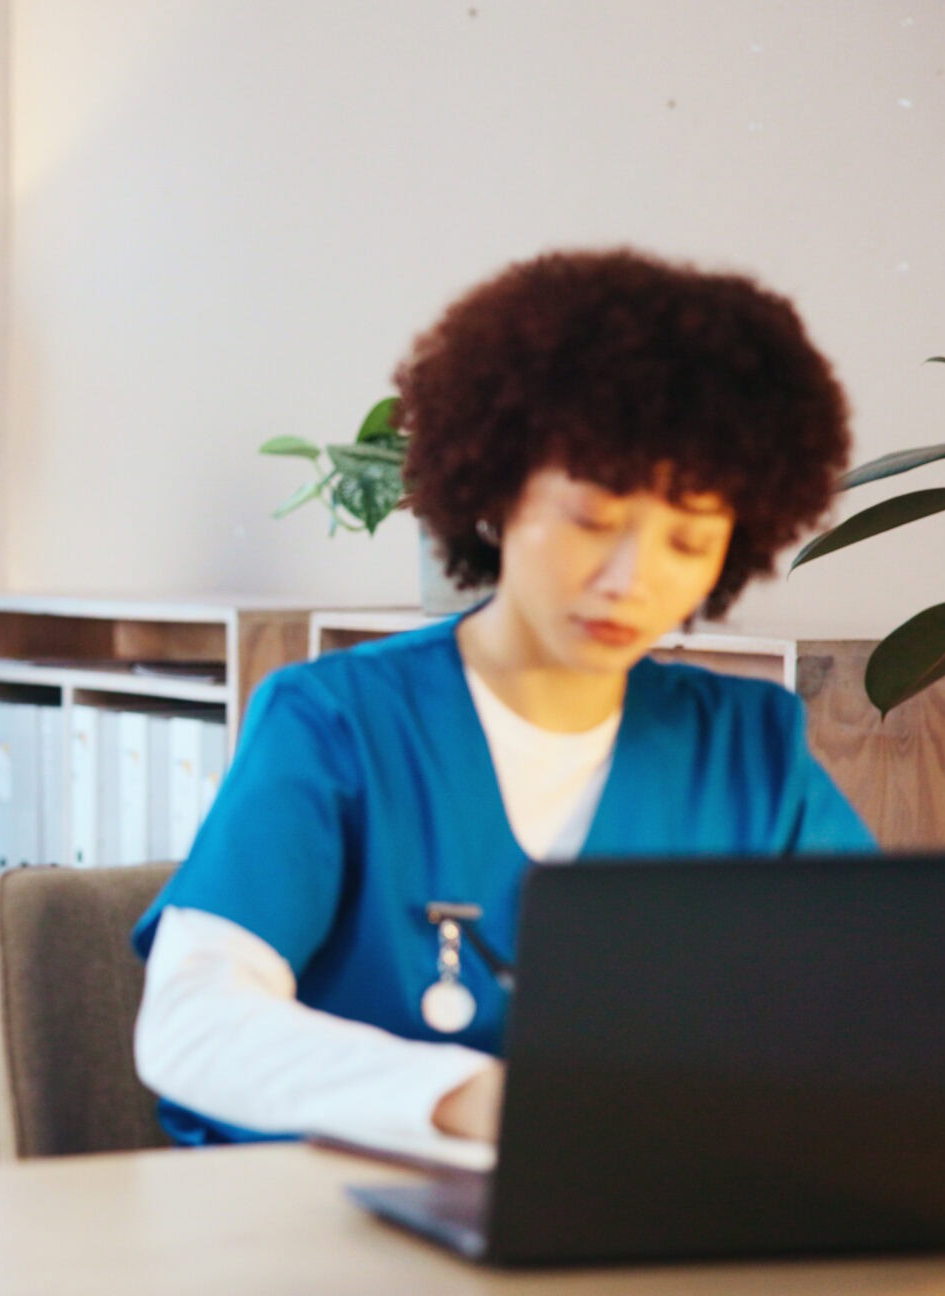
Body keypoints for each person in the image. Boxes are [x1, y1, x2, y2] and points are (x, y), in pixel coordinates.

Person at [131, 249, 875, 1154]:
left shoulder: (749, 748)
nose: (631, 580)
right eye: (593, 520)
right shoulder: (335, 722)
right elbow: (193, 1023)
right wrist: (472, 1100)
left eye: (689, 538)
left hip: (642, 1240)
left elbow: (881, 1002)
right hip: (323, 1231)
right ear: (497, 492)